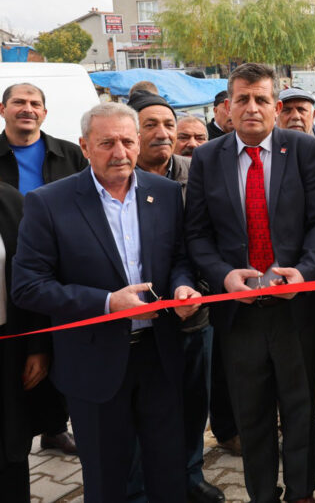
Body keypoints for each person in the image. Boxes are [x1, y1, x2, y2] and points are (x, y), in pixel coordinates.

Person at [12, 102, 202, 502]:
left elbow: (180, 259)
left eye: (127, 141)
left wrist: (184, 289)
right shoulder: (49, 202)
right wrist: (106, 303)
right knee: (107, 479)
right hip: (93, 364)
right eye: (107, 143)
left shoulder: (166, 194)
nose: (120, 152)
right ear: (84, 146)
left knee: (169, 474)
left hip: (160, 358)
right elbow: (27, 285)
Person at [185, 62, 315, 503]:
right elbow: (197, 233)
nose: (252, 108)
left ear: (276, 105)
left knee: (300, 409)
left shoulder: (304, 149)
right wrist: (221, 275)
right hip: (240, 312)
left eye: (261, 99)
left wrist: (305, 272)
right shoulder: (208, 158)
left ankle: (302, 491)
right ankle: (260, 494)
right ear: (227, 108)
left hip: (296, 307)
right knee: (251, 414)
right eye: (242, 99)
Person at [126, 91, 223, 503]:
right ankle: (138, 485)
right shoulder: (116, 173)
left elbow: (211, 235)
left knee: (192, 399)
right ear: (133, 132)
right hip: (136, 320)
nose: (163, 133)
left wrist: (198, 290)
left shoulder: (195, 170)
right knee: (139, 410)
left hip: (192, 311)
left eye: (168, 124)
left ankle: (190, 473)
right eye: (150, 125)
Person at [0, 82, 85, 456]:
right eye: (19, 102)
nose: (27, 108)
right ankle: (23, 428)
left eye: (35, 103)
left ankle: (55, 426)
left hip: (65, 264)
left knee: (58, 344)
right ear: (3, 109)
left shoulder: (68, 153)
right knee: (26, 348)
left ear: (45, 114)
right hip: (13, 263)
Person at [0, 182, 49, 501]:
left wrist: (38, 345)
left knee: (9, 446)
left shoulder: (10, 201)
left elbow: (37, 276)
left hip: (7, 346)